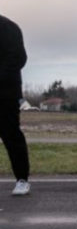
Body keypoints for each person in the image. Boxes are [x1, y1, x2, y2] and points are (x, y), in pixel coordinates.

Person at [0, 12, 30, 196]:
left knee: (10, 135)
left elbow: (18, 58)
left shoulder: (7, 27)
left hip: (5, 93)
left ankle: (22, 179)